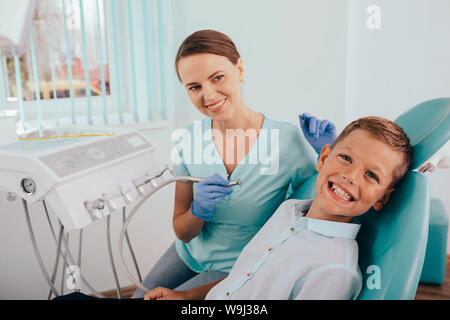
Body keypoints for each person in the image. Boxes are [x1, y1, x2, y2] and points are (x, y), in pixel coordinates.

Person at [131, 30, 337, 298]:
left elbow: (321, 205)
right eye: (195, 87)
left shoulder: (285, 142)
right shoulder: (189, 142)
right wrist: (198, 210)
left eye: (217, 77)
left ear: (239, 69)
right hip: (189, 253)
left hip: (240, 265)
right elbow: (182, 232)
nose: (208, 95)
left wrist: (328, 155)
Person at [143, 116, 413, 300]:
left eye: (371, 175)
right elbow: (245, 278)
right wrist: (185, 297)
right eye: (345, 158)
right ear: (323, 157)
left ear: (382, 198)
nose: (351, 176)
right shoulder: (289, 210)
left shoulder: (334, 273)